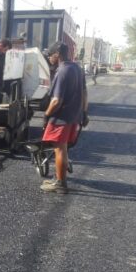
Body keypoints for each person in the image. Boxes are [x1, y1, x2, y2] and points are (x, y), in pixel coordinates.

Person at [40, 41, 88, 194]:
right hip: (74, 116)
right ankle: (59, 177)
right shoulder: (77, 68)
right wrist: (84, 113)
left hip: (61, 118)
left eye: (50, 55)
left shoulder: (62, 71)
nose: (49, 58)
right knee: (64, 148)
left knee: (59, 149)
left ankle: (60, 184)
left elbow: (56, 100)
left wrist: (46, 115)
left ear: (57, 55)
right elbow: (85, 93)